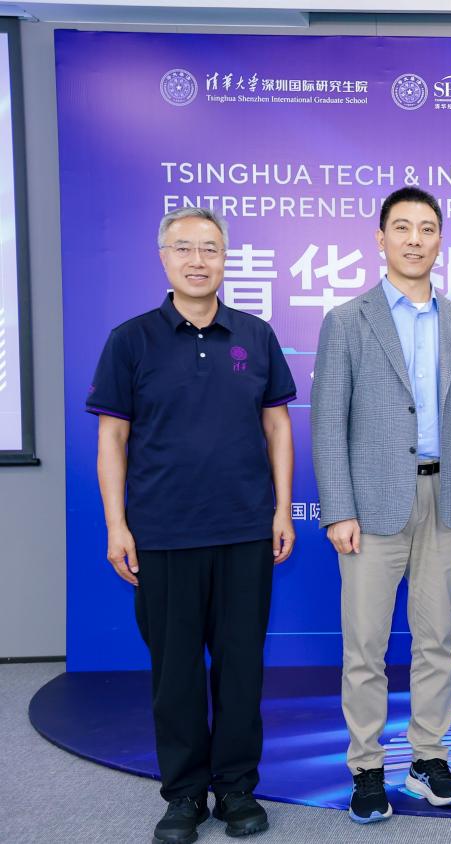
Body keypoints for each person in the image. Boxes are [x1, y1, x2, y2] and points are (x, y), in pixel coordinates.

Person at [88, 206, 296, 843]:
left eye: (210, 248)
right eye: (184, 248)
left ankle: (235, 788)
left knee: (241, 668)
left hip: (244, 530)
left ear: (226, 258)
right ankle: (183, 795)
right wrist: (117, 525)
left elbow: (277, 426)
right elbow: (112, 438)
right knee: (174, 673)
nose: (197, 260)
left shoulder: (255, 335)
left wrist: (282, 509)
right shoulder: (131, 340)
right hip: (163, 534)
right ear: (164, 258)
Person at [311, 186, 451, 822]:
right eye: (403, 228)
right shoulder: (347, 320)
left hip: (446, 499)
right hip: (371, 503)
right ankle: (367, 766)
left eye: (427, 229)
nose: (415, 239)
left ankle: (427, 757)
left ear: (441, 241)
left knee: (436, 639)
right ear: (381, 238)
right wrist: (339, 508)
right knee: (366, 645)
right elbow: (328, 423)